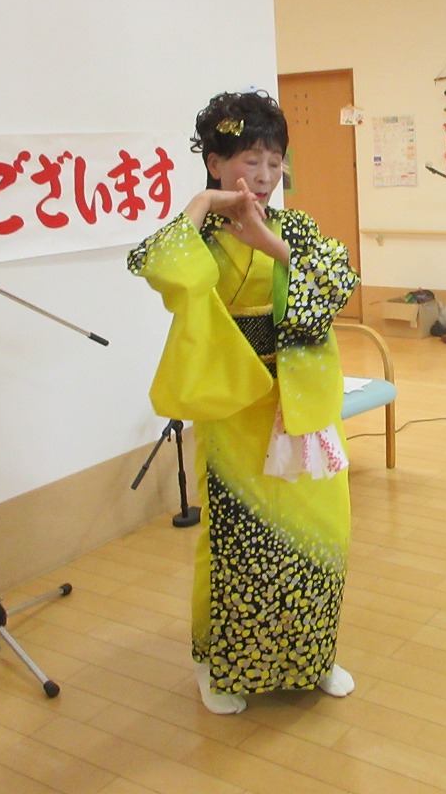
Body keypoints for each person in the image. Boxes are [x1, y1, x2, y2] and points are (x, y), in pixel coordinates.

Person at [127, 90, 359, 715]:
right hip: (235, 405)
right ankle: (219, 667)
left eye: (274, 162)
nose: (263, 176)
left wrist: (271, 243)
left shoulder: (294, 229)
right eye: (249, 160)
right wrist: (202, 204)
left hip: (301, 402)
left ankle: (312, 656)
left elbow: (339, 283)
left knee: (321, 531)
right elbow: (158, 266)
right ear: (215, 162)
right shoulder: (198, 234)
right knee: (238, 540)